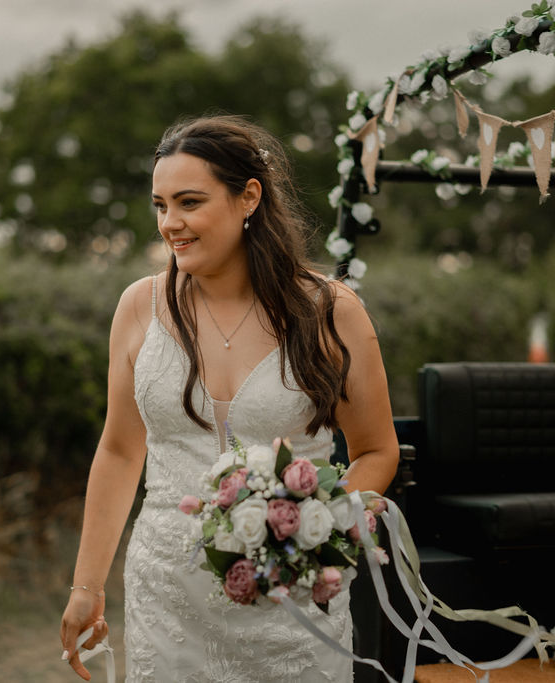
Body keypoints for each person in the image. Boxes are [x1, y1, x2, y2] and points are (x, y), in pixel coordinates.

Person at [60, 115, 400, 681]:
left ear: (248, 198)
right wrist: (86, 585)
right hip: (166, 594)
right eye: (160, 205)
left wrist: (309, 530)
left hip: (289, 600)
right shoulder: (138, 308)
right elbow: (120, 451)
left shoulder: (330, 311)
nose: (171, 223)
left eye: (189, 202)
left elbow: (376, 451)